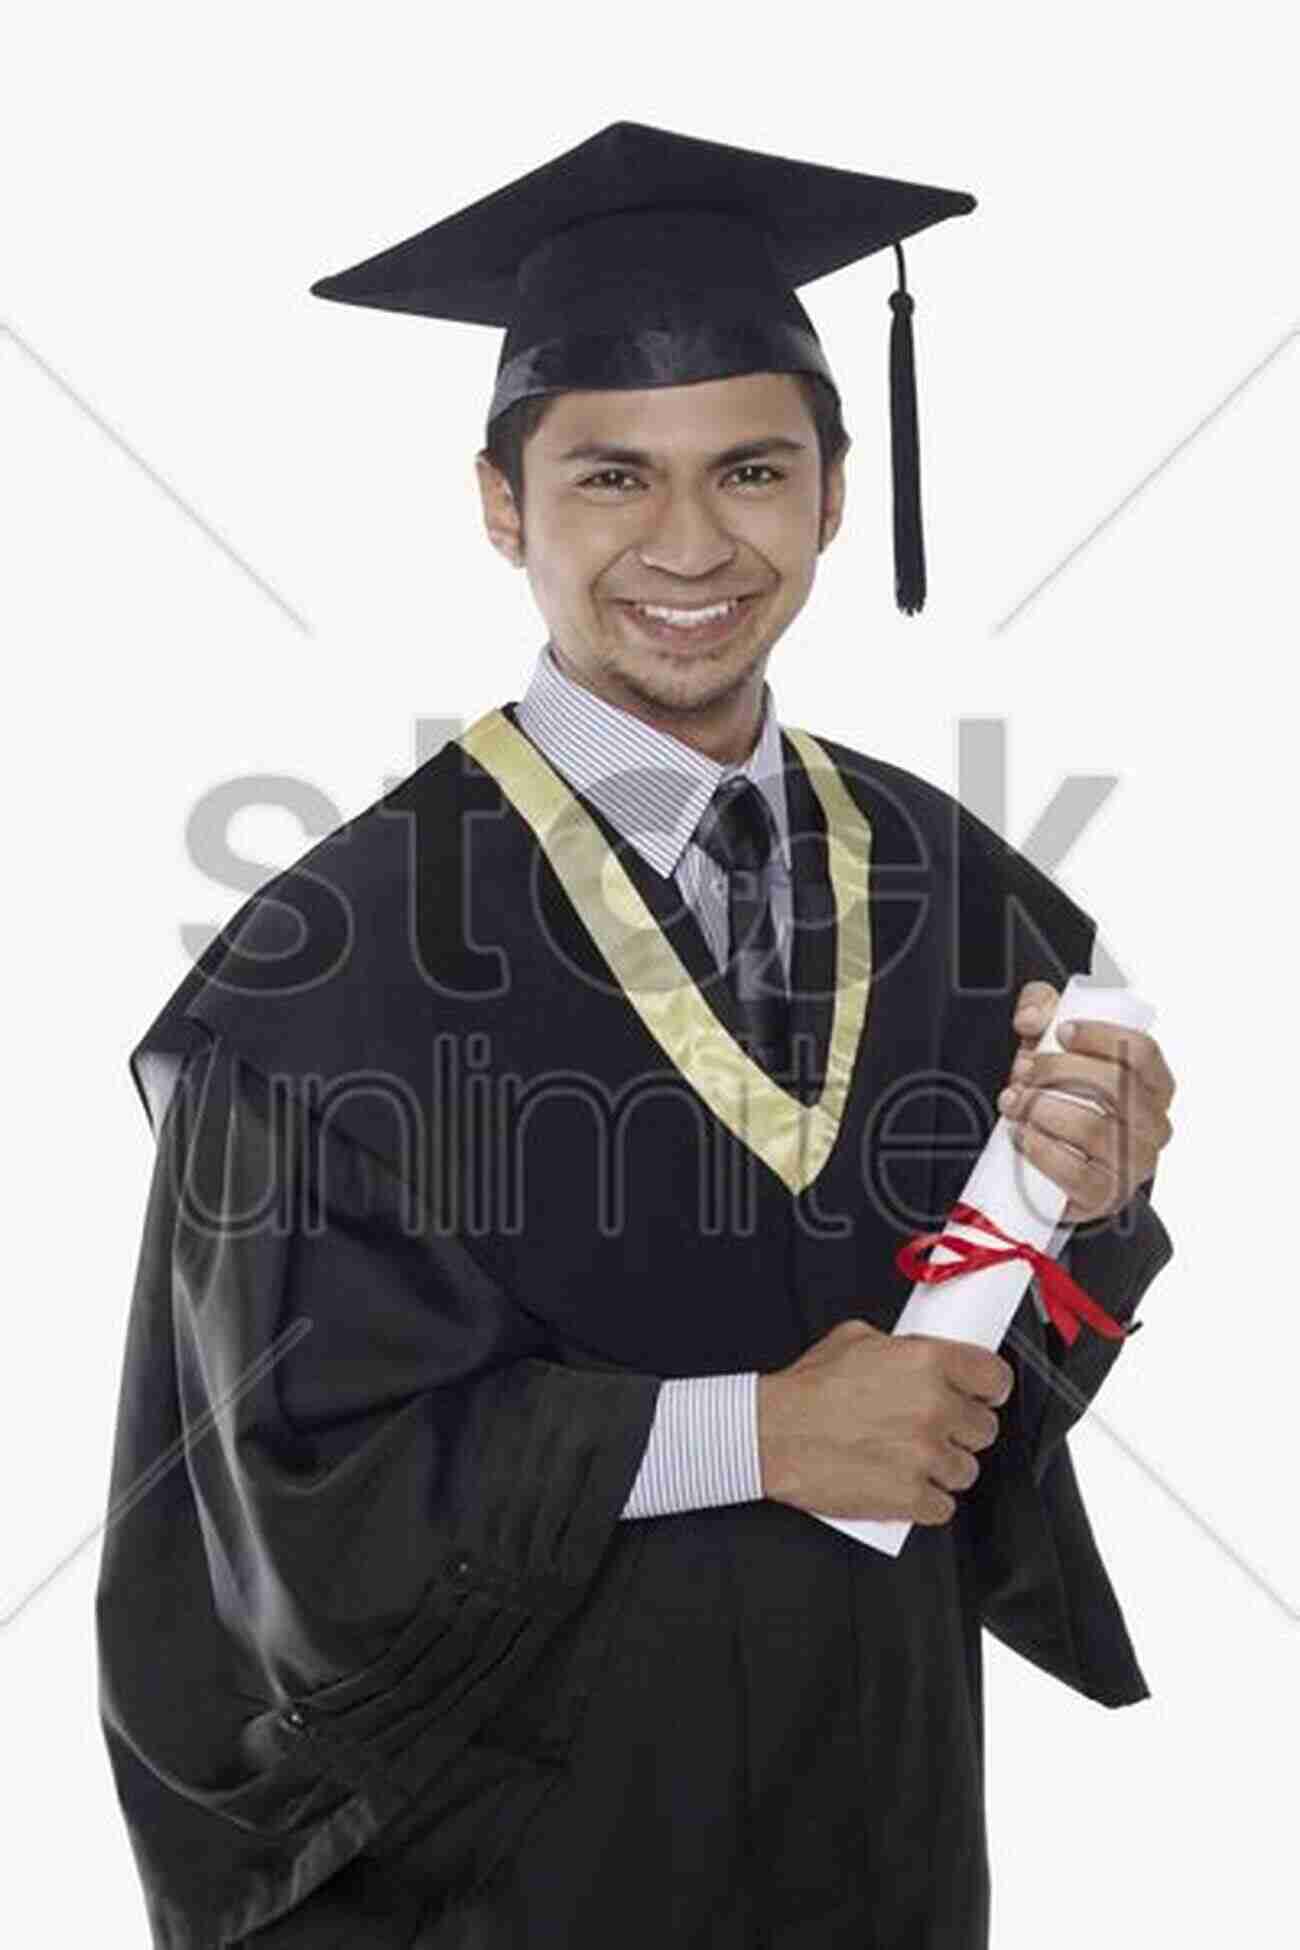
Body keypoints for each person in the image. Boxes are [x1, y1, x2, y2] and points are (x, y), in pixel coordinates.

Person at [95, 123, 1176, 1949]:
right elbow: (286, 1500)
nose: (691, 544)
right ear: (505, 503)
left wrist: (1080, 1203)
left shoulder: (958, 881)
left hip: (879, 1832)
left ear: (836, 490)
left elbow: (966, 1421)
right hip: (515, 1873)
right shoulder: (324, 965)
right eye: (612, 476)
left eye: (751, 468)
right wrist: (749, 1433)